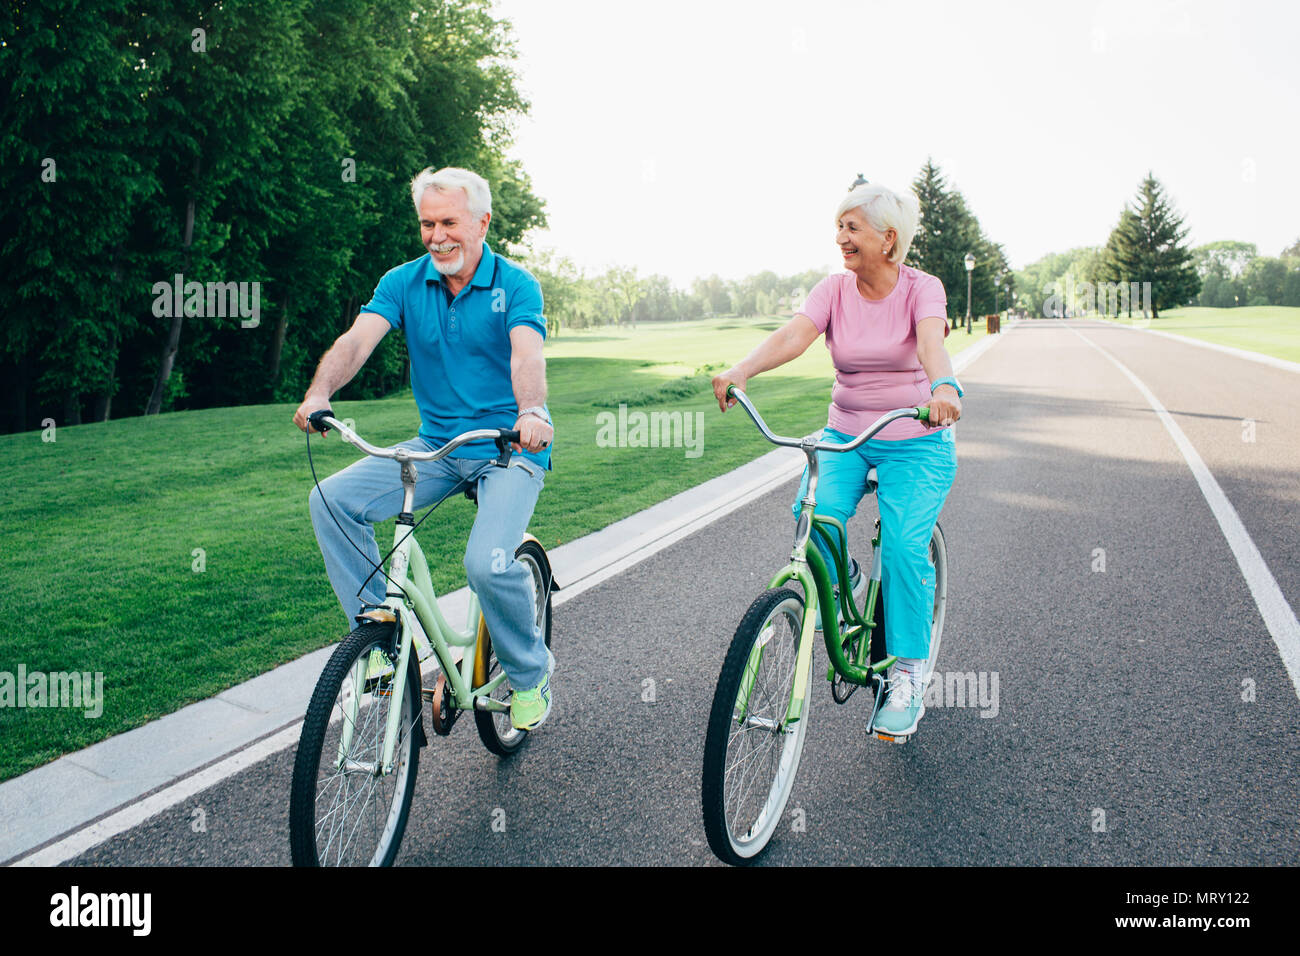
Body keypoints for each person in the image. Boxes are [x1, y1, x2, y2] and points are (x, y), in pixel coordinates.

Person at [293, 166, 557, 731]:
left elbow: (525, 354)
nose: (437, 235)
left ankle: (532, 674)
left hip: (509, 445)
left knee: (485, 563)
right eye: (427, 223)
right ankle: (383, 647)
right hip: (436, 445)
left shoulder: (516, 285)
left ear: (483, 222)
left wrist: (531, 411)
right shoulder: (404, 282)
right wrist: (320, 391)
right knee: (332, 502)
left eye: (449, 222)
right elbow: (358, 339)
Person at [711, 181, 963, 737]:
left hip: (915, 435)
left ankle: (906, 672)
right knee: (813, 519)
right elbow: (795, 336)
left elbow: (929, 344)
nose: (841, 237)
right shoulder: (834, 290)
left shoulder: (922, 289)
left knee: (900, 546)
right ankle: (842, 572)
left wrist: (944, 388)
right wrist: (741, 371)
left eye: (853, 227)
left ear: (888, 238)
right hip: (846, 431)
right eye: (839, 226)